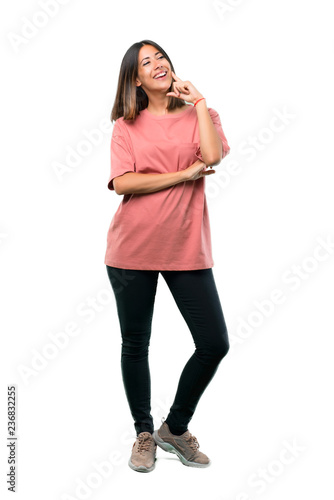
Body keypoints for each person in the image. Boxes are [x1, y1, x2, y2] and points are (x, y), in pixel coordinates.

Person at [104, 39, 231, 473]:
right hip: (131, 248)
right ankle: (143, 432)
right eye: (146, 62)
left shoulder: (200, 115)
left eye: (160, 57)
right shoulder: (126, 125)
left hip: (186, 248)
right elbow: (123, 183)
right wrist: (184, 174)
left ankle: (173, 429)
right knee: (136, 343)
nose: (157, 64)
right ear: (135, 78)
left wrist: (200, 103)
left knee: (214, 343)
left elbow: (213, 156)